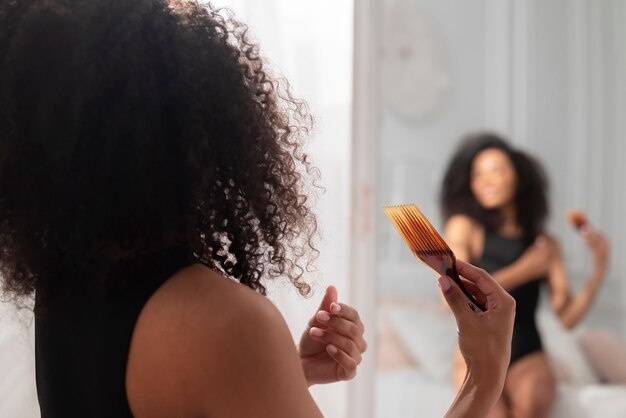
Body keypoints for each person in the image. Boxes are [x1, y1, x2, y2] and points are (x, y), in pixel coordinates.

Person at [0, 1, 514, 417]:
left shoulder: (62, 286)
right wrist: (483, 377)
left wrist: (281, 376)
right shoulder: (224, 326)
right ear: (209, 128)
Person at [440, 133, 610, 418]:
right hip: (477, 351)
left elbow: (567, 319)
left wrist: (600, 269)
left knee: (531, 406)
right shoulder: (464, 227)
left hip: (527, 351)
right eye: (478, 174)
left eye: (497, 170)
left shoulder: (546, 244)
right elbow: (454, 298)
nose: (486, 181)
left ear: (518, 177)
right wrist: (526, 269)